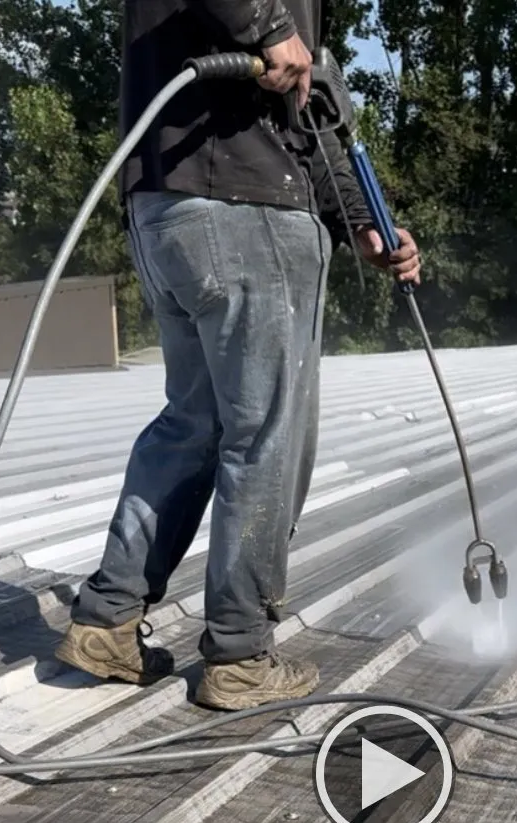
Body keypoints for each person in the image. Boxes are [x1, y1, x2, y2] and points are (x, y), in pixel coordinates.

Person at [54, 0, 421, 711]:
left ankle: (108, 618)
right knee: (265, 442)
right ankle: (239, 654)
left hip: (167, 211)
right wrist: (268, 26)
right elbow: (290, 95)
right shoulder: (268, 13)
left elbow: (311, 119)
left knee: (192, 424)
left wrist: (362, 225)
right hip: (246, 214)